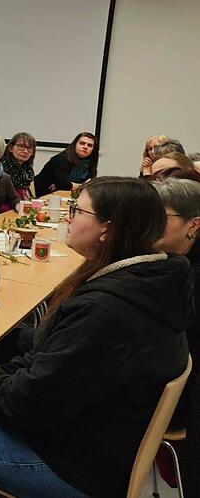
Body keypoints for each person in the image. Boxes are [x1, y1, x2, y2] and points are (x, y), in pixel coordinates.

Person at [0, 177, 193, 498]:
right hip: (102, 433)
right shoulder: (152, 282)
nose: (69, 218)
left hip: (79, 462)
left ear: (108, 229)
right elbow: (50, 356)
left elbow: (29, 403)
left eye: (78, 211)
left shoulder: (107, 311)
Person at [152, 177, 200, 497]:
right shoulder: (175, 259)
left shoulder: (189, 277)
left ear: (193, 224)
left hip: (171, 395)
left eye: (160, 217)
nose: (149, 225)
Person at [0, 132, 37, 199]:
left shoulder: (28, 170)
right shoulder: (2, 167)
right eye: (21, 146)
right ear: (11, 148)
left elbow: (30, 196)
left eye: (30, 148)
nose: (26, 151)